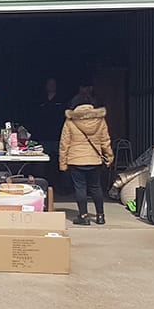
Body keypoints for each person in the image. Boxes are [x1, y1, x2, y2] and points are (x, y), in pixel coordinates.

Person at [58, 94, 114, 225]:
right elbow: (105, 140)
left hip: (76, 160)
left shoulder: (70, 121)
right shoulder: (100, 120)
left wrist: (62, 163)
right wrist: (109, 156)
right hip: (94, 160)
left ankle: (83, 216)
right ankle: (100, 216)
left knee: (80, 188)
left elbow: (64, 143)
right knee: (96, 187)